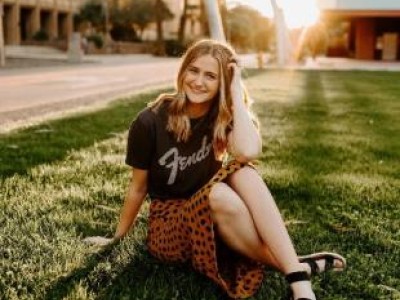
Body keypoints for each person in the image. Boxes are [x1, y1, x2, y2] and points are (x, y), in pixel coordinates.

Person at [84, 39, 346, 299]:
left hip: (215, 215)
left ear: (222, 83)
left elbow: (248, 152)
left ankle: (298, 281)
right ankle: (297, 271)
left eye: (211, 76)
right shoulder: (150, 120)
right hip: (169, 226)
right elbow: (138, 187)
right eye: (194, 71)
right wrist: (116, 238)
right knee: (218, 193)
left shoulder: (220, 118)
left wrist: (235, 92)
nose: (198, 82)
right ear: (183, 71)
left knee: (242, 170)